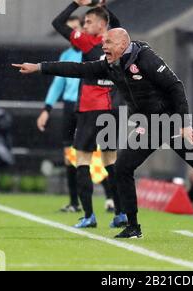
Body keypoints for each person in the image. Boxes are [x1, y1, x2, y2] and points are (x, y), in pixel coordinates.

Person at [13, 28, 193, 241]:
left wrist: (184, 122)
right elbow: (78, 68)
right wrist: (39, 67)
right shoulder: (110, 65)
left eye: (108, 43)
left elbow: (176, 87)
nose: (103, 46)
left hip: (171, 121)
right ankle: (133, 226)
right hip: (148, 125)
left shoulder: (146, 58)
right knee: (122, 168)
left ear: (122, 44)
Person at [50, 0, 125, 228]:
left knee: (82, 160)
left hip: (91, 107)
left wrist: (75, 3)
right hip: (111, 108)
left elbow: (57, 23)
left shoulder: (88, 43)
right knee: (110, 161)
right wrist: (103, 6)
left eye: (89, 22)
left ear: (102, 26)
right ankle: (121, 214)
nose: (84, 26)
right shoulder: (117, 44)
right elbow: (120, 25)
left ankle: (89, 215)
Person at [38, 15, 115, 214]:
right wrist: (46, 108)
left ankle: (110, 198)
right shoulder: (67, 54)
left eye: (75, 27)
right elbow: (58, 83)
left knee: (97, 156)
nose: (71, 32)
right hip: (72, 106)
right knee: (71, 156)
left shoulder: (92, 48)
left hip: (90, 106)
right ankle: (75, 202)